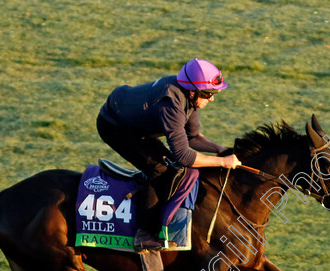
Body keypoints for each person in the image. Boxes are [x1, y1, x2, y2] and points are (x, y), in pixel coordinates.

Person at [97, 58, 242, 252]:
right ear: (193, 91)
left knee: (172, 166)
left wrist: (219, 149)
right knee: (159, 169)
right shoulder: (171, 103)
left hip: (134, 122)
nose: (212, 99)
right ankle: (144, 235)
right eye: (208, 94)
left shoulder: (189, 98)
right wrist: (222, 162)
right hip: (115, 126)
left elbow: (192, 137)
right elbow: (183, 156)